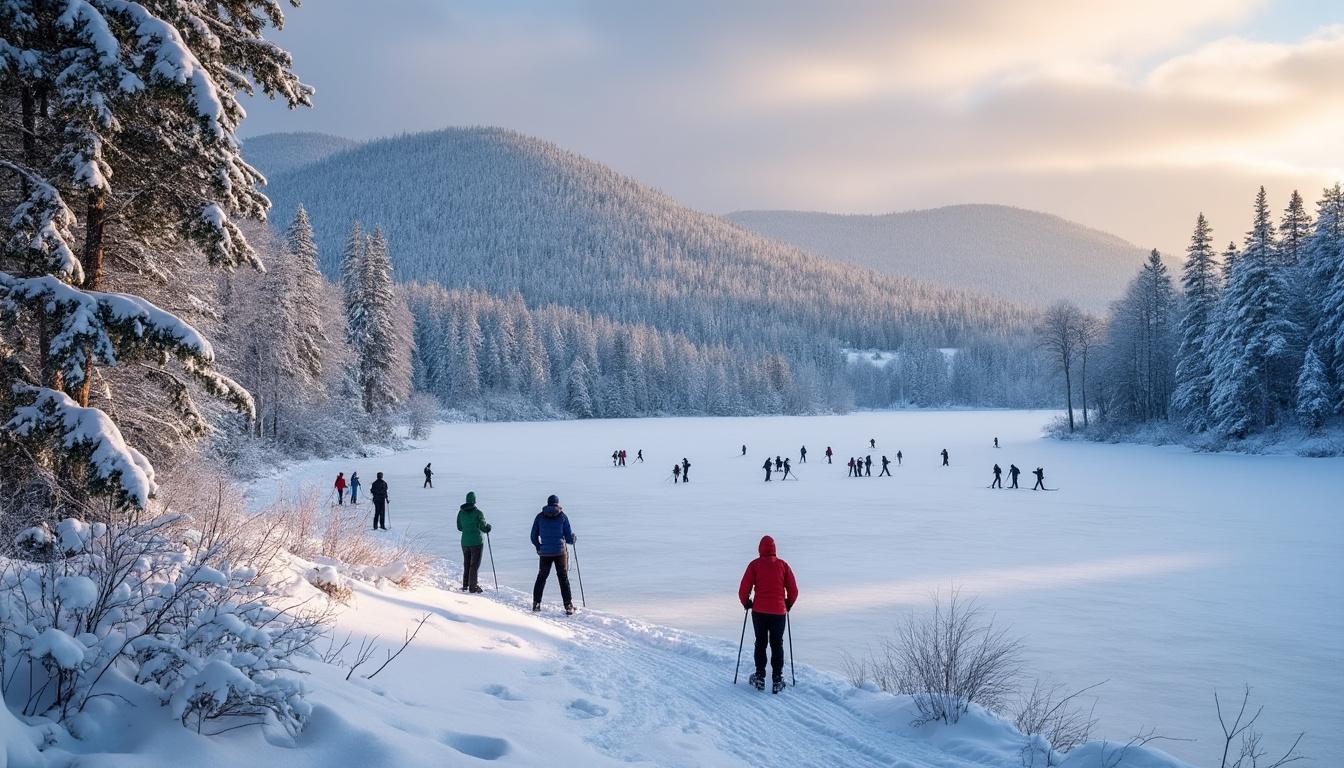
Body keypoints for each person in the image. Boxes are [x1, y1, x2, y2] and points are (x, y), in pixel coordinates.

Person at [738, 535, 798, 694]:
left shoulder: (754, 565)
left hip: (759, 611)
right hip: (779, 612)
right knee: (777, 643)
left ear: (760, 549)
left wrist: (746, 602)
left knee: (761, 642)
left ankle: (760, 676)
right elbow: (794, 590)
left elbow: (743, 589)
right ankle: (777, 679)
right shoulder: (783, 565)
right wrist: (788, 603)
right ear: (774, 549)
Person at [531, 494, 576, 614]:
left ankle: (536, 603)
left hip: (545, 553)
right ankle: (568, 606)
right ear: (557, 503)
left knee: (541, 577)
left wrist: (539, 547)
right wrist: (573, 538)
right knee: (563, 578)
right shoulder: (562, 517)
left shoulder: (540, 517)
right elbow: (569, 538)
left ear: (548, 503)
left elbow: (533, 536)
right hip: (560, 552)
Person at [456, 491, 492, 593]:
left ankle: (465, 585)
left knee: (466, 564)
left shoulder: (461, 512)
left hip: (465, 542)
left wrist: (467, 529)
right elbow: (483, 527)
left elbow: (459, 527)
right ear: (474, 500)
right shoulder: (478, 513)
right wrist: (488, 527)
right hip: (476, 542)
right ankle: (473, 587)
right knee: (474, 565)